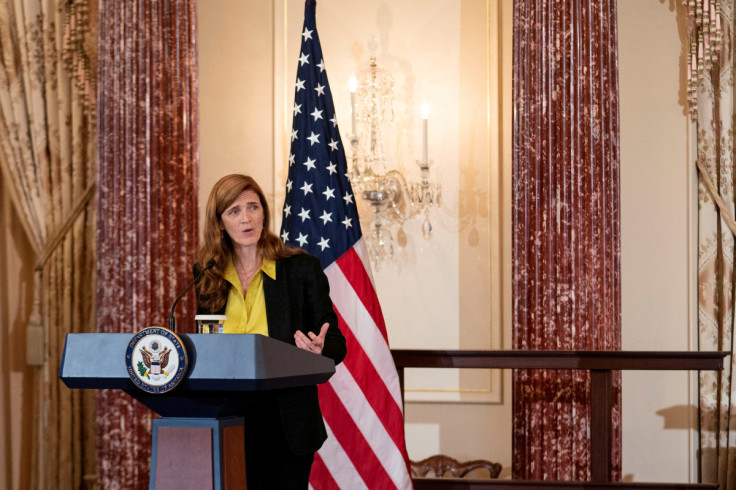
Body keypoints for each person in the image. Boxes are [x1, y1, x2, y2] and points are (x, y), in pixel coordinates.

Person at [193, 174, 346, 489]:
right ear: (220, 222)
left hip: (285, 419)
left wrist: (319, 351)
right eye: (234, 211)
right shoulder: (209, 275)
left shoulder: (300, 270)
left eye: (253, 207)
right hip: (228, 417)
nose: (246, 218)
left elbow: (336, 343)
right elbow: (206, 345)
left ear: (264, 212)